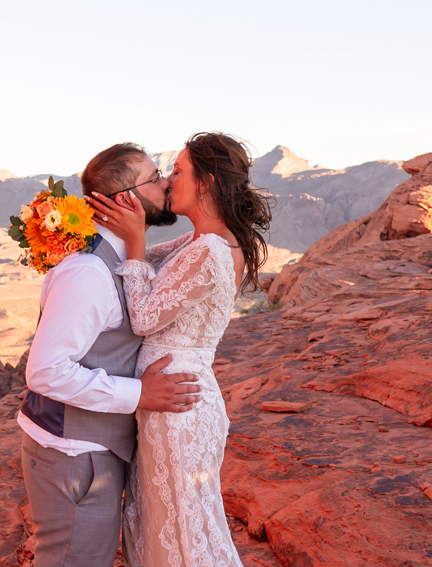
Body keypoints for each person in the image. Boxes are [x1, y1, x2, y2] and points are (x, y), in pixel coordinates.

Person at [87, 132, 272, 567]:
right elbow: (145, 265)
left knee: (184, 534)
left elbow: (145, 316)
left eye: (177, 171)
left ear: (205, 182)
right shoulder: (198, 242)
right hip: (169, 402)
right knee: (165, 525)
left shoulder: (210, 248)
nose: (169, 181)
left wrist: (133, 241)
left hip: (179, 407)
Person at [19, 142, 204, 567]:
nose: (165, 183)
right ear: (126, 199)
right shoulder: (87, 272)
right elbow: (46, 371)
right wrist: (139, 395)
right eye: (155, 177)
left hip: (89, 448)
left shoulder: (123, 255)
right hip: (71, 453)